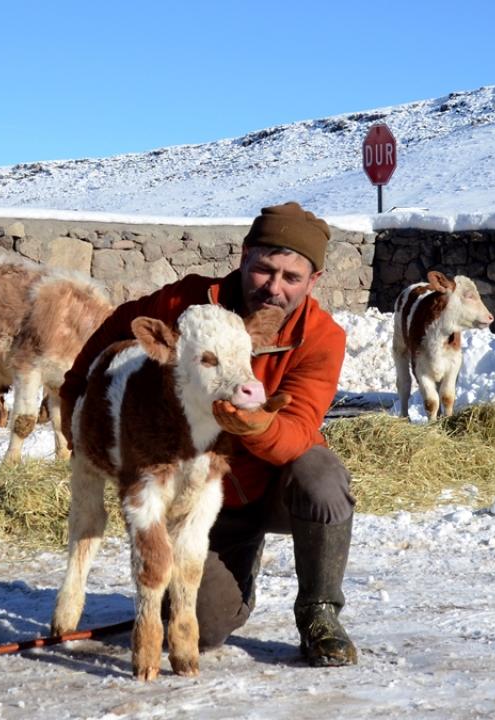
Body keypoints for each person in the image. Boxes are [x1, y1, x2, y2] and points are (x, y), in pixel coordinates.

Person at [58, 201, 357, 667]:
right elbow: (117, 329)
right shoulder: (187, 304)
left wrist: (254, 423)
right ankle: (234, 564)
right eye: (264, 270)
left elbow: (298, 430)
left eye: (291, 277)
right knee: (205, 624)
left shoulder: (320, 337)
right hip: (195, 490)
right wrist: (74, 395)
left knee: (322, 476)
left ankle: (320, 613)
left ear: (313, 280)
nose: (274, 288)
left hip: (266, 484)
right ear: (244, 256)